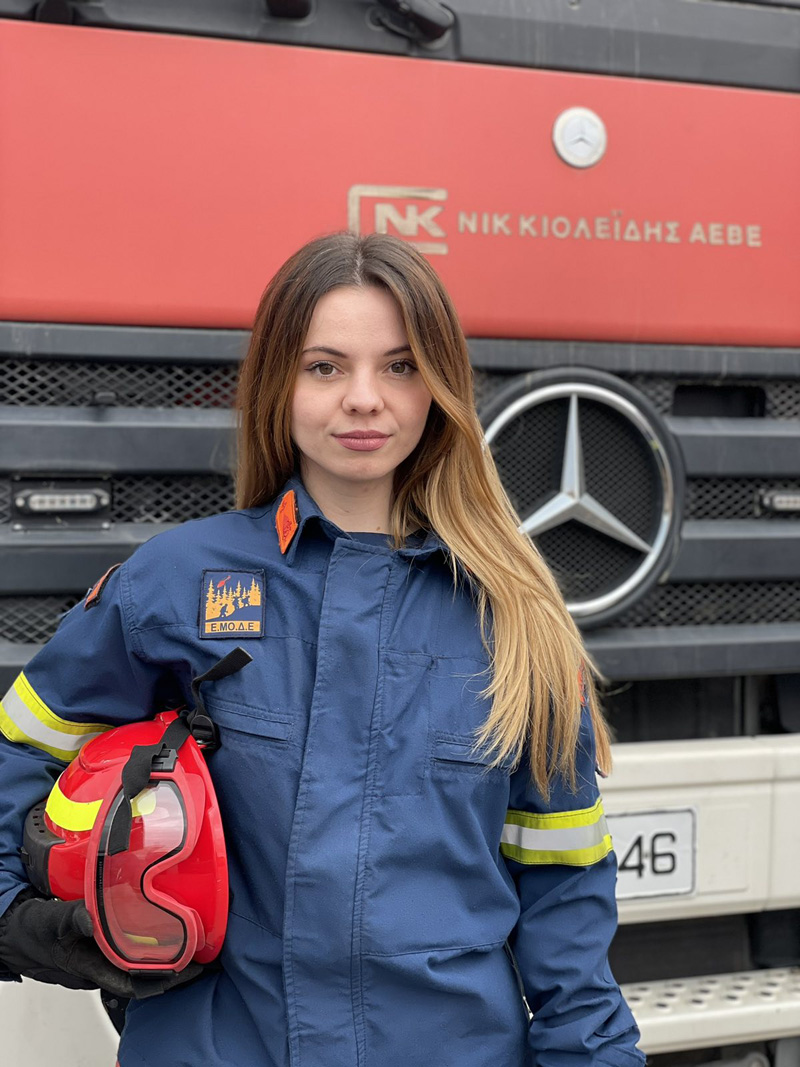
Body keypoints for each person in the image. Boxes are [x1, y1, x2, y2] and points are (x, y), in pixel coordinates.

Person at [0, 232, 644, 1067]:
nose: (364, 399)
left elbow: (566, 895)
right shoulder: (174, 584)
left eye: (400, 366)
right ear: (279, 382)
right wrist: (13, 914)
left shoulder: (517, 619)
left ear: (441, 384)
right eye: (325, 366)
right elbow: (20, 748)